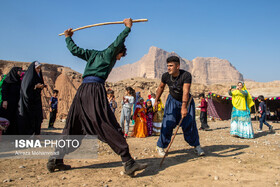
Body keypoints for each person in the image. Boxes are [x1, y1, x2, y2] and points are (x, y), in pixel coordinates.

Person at [47, 18, 147, 176]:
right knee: (106, 124)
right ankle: (128, 162)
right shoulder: (110, 54)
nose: (119, 59)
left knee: (73, 126)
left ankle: (56, 158)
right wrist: (127, 28)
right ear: (118, 52)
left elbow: (75, 50)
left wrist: (68, 37)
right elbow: (117, 42)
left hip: (82, 91)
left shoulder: (92, 54)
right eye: (120, 56)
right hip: (95, 91)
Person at [154, 56, 205, 157]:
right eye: (167, 66)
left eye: (171, 66)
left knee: (189, 124)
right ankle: (160, 146)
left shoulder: (186, 75)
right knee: (168, 123)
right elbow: (161, 87)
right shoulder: (165, 76)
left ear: (177, 66)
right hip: (172, 101)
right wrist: (156, 100)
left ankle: (196, 146)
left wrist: (184, 107)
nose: (168, 68)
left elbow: (186, 91)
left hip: (186, 101)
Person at [18, 61, 45, 135]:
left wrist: (41, 87)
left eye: (39, 68)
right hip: (29, 102)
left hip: (37, 100)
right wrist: (35, 87)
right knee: (29, 118)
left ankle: (37, 134)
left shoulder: (38, 76)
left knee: (38, 117)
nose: (38, 70)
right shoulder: (28, 77)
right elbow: (26, 89)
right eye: (37, 68)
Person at [1, 67, 22, 135]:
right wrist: (5, 100)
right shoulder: (7, 80)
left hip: (16, 103)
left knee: (14, 119)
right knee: (7, 118)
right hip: (8, 102)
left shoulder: (18, 81)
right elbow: (4, 90)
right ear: (15, 71)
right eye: (19, 71)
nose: (20, 72)